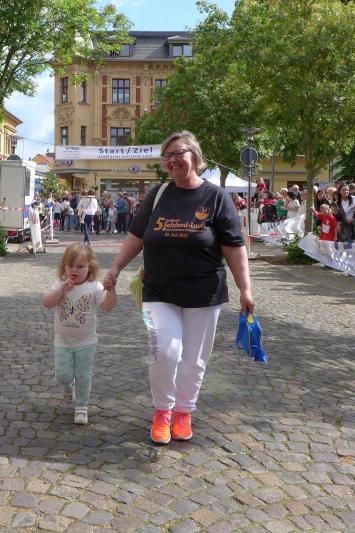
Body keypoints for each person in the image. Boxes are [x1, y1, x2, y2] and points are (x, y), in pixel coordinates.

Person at [103, 131, 254, 445]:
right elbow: (136, 236)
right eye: (167, 155)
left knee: (195, 358)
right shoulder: (158, 195)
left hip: (204, 293)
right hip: (157, 291)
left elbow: (234, 247)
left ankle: (184, 412)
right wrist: (116, 267)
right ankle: (163, 410)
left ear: (195, 156)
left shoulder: (216, 198)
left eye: (178, 153)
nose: (172, 160)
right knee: (164, 351)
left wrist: (245, 289)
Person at [42, 243, 116, 425]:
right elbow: (47, 303)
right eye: (70, 265)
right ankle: (68, 387)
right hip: (62, 341)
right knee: (62, 374)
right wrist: (61, 290)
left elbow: (108, 306)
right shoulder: (59, 284)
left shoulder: (94, 287)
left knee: (83, 375)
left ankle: (81, 406)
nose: (74, 270)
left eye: (80, 266)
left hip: (86, 342)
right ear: (64, 266)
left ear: (90, 267)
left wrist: (111, 290)